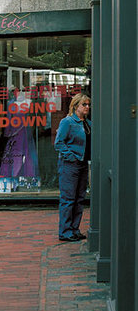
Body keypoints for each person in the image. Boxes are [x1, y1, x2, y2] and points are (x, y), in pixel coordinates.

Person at [54, 93, 91, 242]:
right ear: (76, 106)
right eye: (84, 104)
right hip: (70, 165)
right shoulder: (67, 122)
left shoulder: (88, 123)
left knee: (79, 198)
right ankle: (65, 232)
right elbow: (58, 143)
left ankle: (75, 229)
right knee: (68, 199)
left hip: (83, 164)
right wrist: (72, 157)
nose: (87, 107)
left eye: (88, 105)